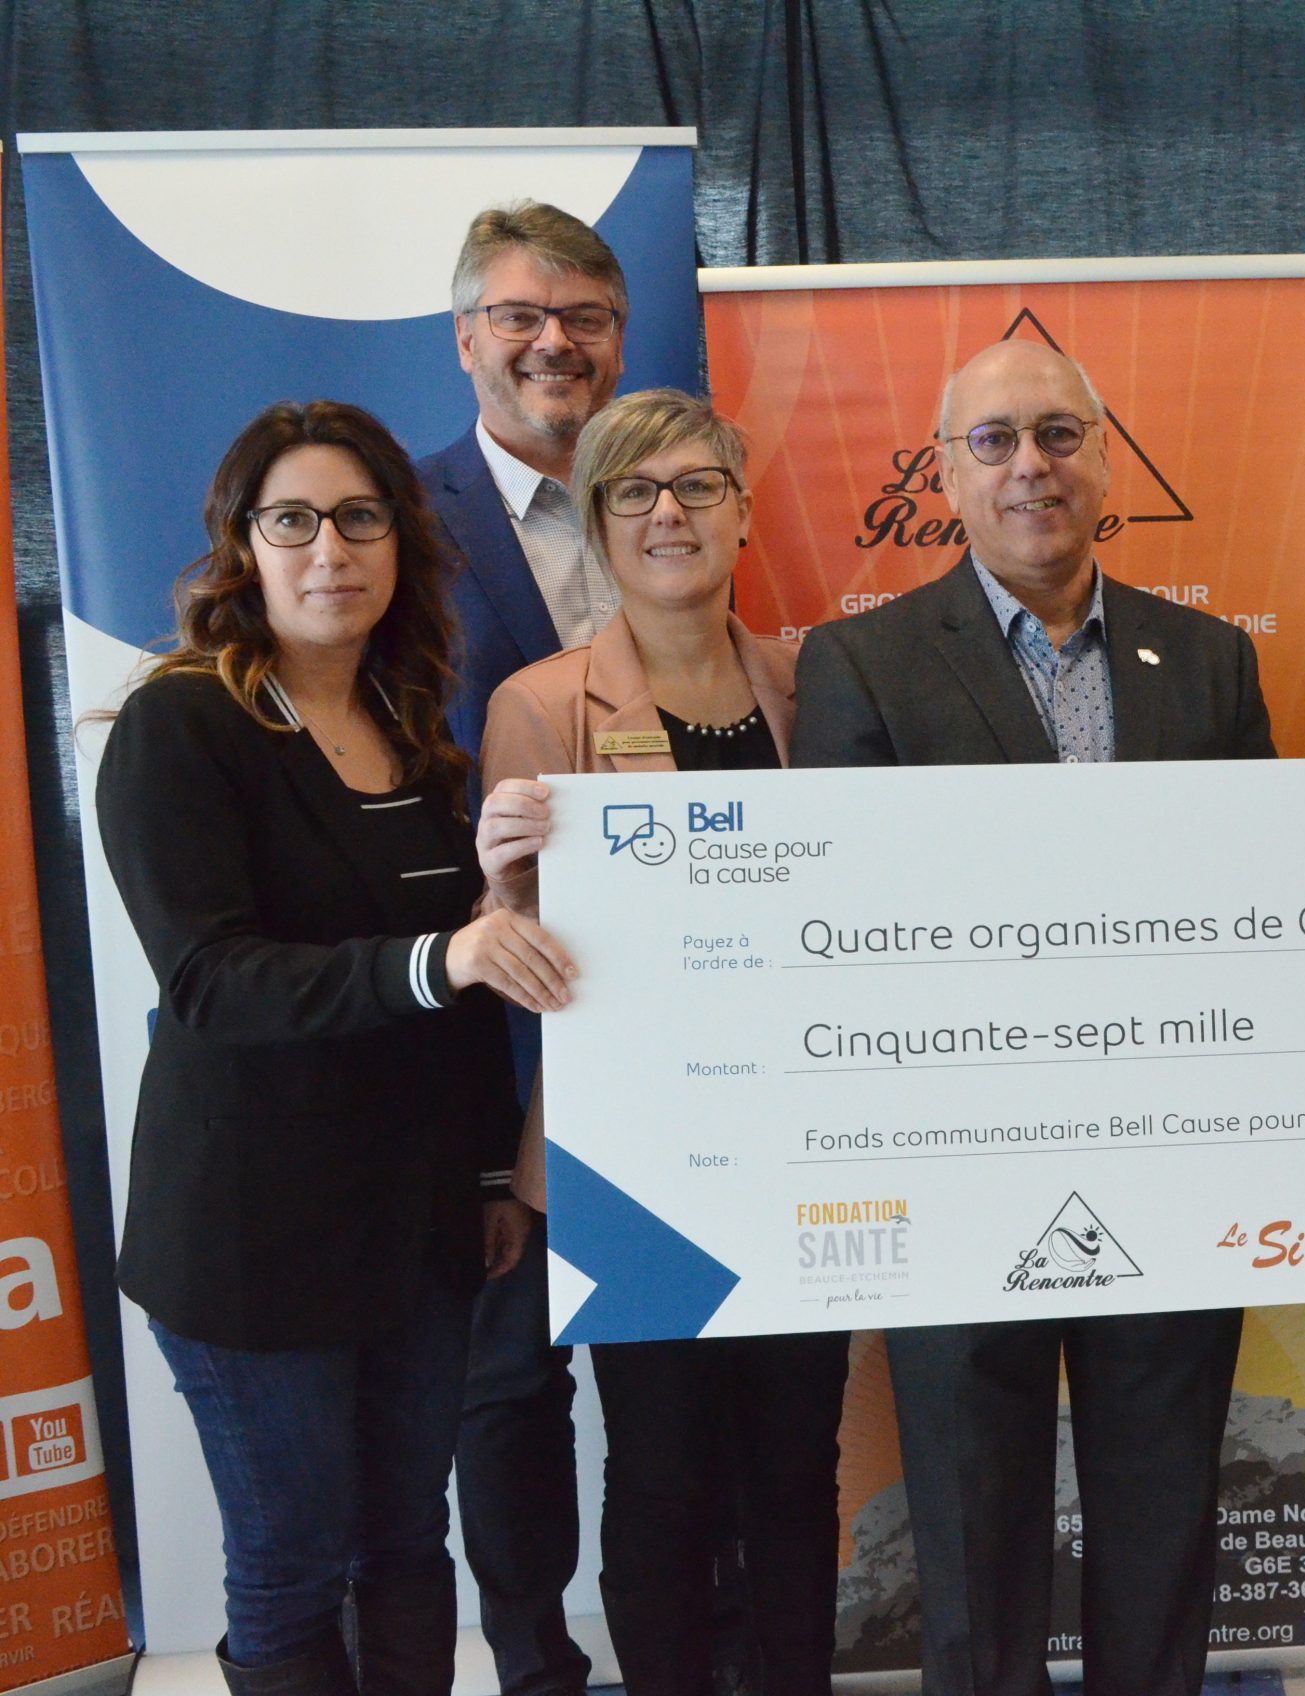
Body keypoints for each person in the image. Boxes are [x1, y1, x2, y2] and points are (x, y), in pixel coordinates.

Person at [793, 338, 1275, 1696]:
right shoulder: (863, 662)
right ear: (946, 475)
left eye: (1059, 435)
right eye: (994, 441)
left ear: (1106, 459)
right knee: (971, 1523)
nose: (1030, 467)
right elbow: (843, 930)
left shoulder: (1212, 661)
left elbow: (1264, 905)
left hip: (1171, 1153)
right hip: (960, 1164)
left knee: (1162, 1516)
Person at [96, 401, 574, 1696]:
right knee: (294, 1564)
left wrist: (491, 1175)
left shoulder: (411, 724)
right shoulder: (179, 726)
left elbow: (465, 989)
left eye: (360, 517)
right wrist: (443, 957)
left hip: (416, 1226)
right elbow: (211, 979)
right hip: (255, 1242)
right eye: (294, 520)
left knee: (408, 1543)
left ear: (401, 541)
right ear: (242, 545)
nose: (331, 549)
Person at [473, 391, 846, 1696]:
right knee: (666, 1470)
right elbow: (515, 945)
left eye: (696, 486)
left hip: (801, 1139)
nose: (668, 513)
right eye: (633, 491)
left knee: (798, 1465)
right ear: (598, 523)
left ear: (743, 514)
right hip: (634, 1161)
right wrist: (501, 891)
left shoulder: (817, 686)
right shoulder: (542, 704)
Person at [421, 200, 628, 1696]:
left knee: (685, 1362)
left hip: (672, 1013)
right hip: (482, 1030)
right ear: (467, 339)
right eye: (520, 316)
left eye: (585, 318)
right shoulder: (398, 520)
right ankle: (534, 1662)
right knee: (506, 1383)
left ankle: (701, 1648)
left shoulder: (666, 497)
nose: (554, 341)